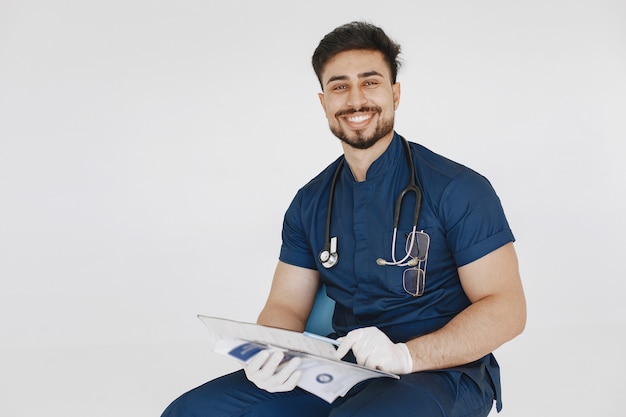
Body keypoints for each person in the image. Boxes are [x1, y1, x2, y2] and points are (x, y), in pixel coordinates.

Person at [161, 21, 526, 417]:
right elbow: (285, 305)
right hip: (342, 366)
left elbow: (506, 309)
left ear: (395, 94)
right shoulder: (311, 202)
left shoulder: (458, 188)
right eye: (339, 86)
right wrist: (269, 354)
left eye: (370, 82)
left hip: (442, 371)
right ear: (323, 102)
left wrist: (405, 357)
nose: (355, 100)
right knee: (194, 412)